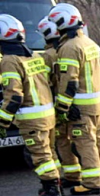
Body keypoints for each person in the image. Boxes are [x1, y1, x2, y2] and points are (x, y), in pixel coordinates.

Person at [0, 14, 62, 196]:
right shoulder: (34, 55)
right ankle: (55, 185)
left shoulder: (9, 61)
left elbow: (14, 96)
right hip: (47, 114)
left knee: (40, 156)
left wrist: (2, 121)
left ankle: (51, 193)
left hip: (32, 118)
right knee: (49, 153)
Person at [48, 3, 100, 195]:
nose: (55, 28)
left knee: (85, 143)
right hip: (96, 104)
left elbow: (69, 82)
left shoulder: (70, 48)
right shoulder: (89, 43)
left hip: (80, 106)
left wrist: (62, 108)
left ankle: (91, 183)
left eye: (56, 23)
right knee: (98, 141)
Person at [37, 17, 73, 185]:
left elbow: (43, 83)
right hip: (71, 102)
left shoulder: (47, 56)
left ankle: (64, 176)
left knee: (60, 141)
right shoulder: (66, 49)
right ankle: (74, 173)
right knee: (70, 139)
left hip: (55, 104)